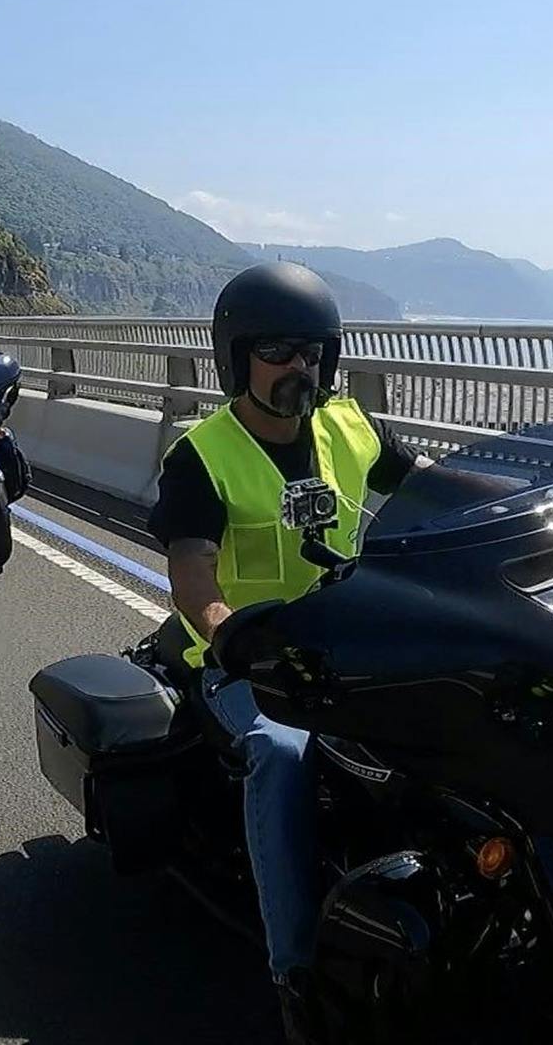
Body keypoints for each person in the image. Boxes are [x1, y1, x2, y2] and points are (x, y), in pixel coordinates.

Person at [145, 262, 428, 1044]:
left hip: (349, 646)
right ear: (238, 358)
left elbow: (431, 490)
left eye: (311, 351)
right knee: (280, 753)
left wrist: (512, 496)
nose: (297, 367)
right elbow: (191, 573)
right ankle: (295, 973)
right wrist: (228, 629)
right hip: (249, 662)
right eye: (276, 350)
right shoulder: (204, 455)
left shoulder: (348, 426)